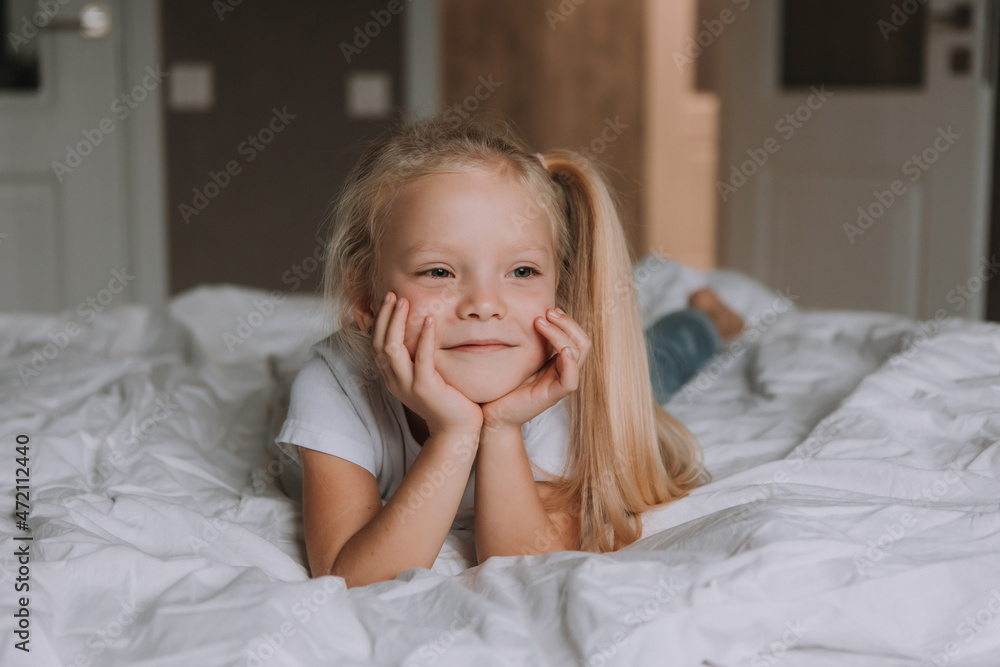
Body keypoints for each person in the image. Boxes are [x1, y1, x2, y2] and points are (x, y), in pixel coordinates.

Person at [276, 114, 739, 588]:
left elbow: (523, 562)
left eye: (521, 272)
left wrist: (502, 426)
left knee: (662, 358)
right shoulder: (336, 382)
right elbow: (349, 575)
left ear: (559, 288)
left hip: (600, 379)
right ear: (365, 298)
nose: (484, 306)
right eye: (438, 272)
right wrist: (453, 434)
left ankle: (710, 316)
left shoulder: (565, 389)